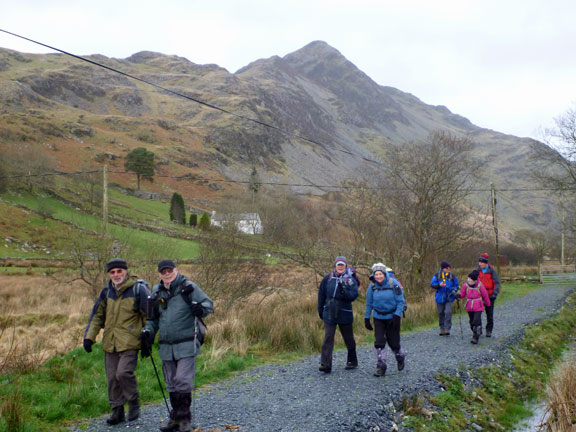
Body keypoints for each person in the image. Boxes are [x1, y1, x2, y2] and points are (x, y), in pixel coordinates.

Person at [142, 260, 214, 432]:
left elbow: (208, 305)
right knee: (172, 383)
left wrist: (199, 309)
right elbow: (153, 320)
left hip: (187, 343)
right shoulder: (156, 291)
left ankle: (184, 420)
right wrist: (147, 333)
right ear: (159, 274)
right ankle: (174, 420)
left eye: (169, 270)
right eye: (163, 271)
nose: (167, 274)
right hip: (166, 346)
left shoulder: (188, 287)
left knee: (182, 380)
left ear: (176, 270)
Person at [83, 258, 151, 425]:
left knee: (123, 373)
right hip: (110, 342)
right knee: (112, 378)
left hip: (130, 341)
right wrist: (89, 337)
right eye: (112, 272)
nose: (116, 274)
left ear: (126, 271)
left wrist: (148, 338)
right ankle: (117, 411)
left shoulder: (138, 290)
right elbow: (97, 316)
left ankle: (133, 402)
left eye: (119, 271)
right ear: (109, 274)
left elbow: (149, 316)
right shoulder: (106, 292)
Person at [317, 256, 359, 373]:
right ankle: (325, 364)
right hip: (329, 311)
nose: (340, 267)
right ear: (335, 265)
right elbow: (321, 294)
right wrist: (320, 310)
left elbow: (354, 295)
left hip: (345, 311)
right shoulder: (328, 278)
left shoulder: (350, 280)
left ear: (346, 266)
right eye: (338, 264)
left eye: (342, 265)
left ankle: (352, 361)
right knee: (328, 338)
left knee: (348, 338)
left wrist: (344, 292)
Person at [364, 263, 406, 377]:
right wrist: (367, 317)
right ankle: (381, 366)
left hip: (392, 317)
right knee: (379, 342)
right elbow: (369, 303)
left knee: (394, 343)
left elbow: (401, 301)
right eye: (376, 274)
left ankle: (400, 357)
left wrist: (397, 315)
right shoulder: (372, 286)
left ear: (384, 274)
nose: (378, 277)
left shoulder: (394, 283)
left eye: (380, 274)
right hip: (378, 317)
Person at [460, 270, 491, 344]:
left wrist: (488, 304)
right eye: (468, 278)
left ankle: (475, 337)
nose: (468, 280)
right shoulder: (466, 285)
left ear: (474, 280)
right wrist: (457, 296)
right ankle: (477, 330)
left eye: (470, 279)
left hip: (478, 306)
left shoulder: (480, 285)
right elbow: (462, 294)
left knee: (476, 320)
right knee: (471, 322)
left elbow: (485, 296)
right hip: (469, 306)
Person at [430, 261, 459, 336]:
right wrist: (439, 285)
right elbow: (432, 284)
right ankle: (442, 328)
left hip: (449, 297)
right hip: (439, 297)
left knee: (448, 312)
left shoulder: (452, 276)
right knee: (440, 313)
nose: (449, 269)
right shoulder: (437, 275)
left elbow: (456, 285)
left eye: (449, 267)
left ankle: (447, 328)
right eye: (447, 268)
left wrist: (454, 290)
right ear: (443, 268)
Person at [476, 253, 501, 337]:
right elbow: (473, 282)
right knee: (477, 314)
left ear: (485, 263)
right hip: (479, 295)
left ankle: (489, 330)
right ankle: (478, 329)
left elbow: (497, 283)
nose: (480, 264)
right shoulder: (477, 270)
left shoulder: (492, 271)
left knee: (489, 314)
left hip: (490, 295)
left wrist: (495, 293)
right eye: (479, 262)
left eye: (481, 263)